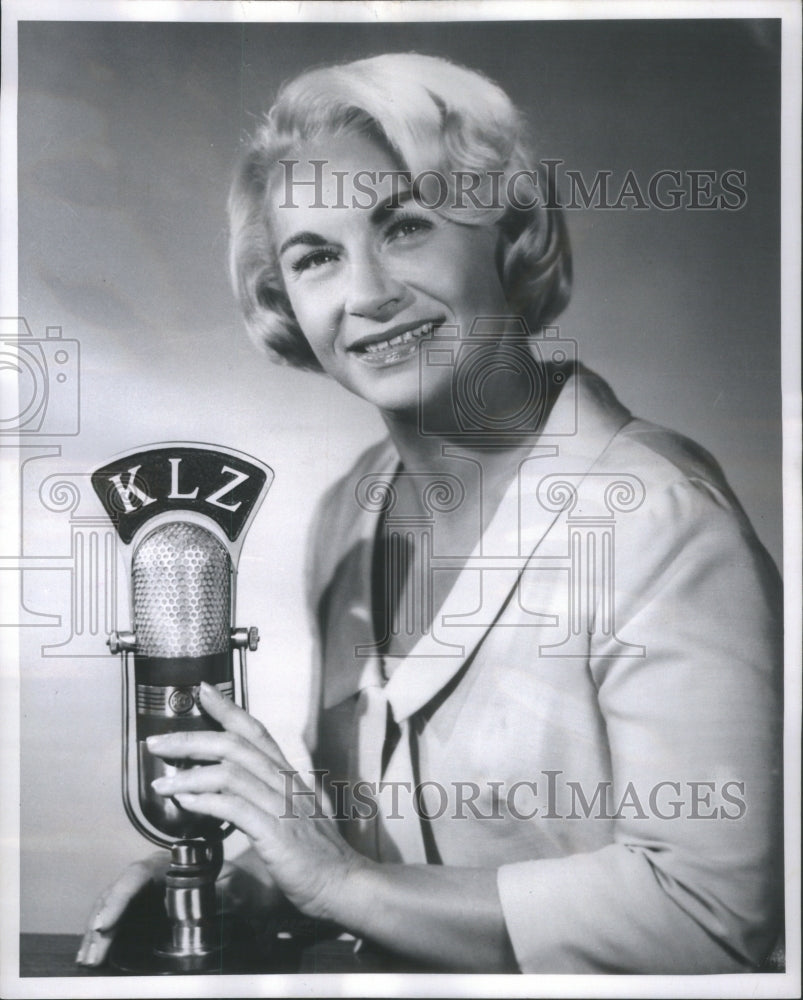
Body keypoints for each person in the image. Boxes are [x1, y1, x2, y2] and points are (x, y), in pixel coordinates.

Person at [77, 52, 782, 974]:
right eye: (316, 256)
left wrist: (331, 883)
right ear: (284, 299)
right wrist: (251, 879)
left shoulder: (658, 520)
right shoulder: (348, 513)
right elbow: (373, 840)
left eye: (405, 226)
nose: (366, 293)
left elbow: (708, 915)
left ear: (510, 232)